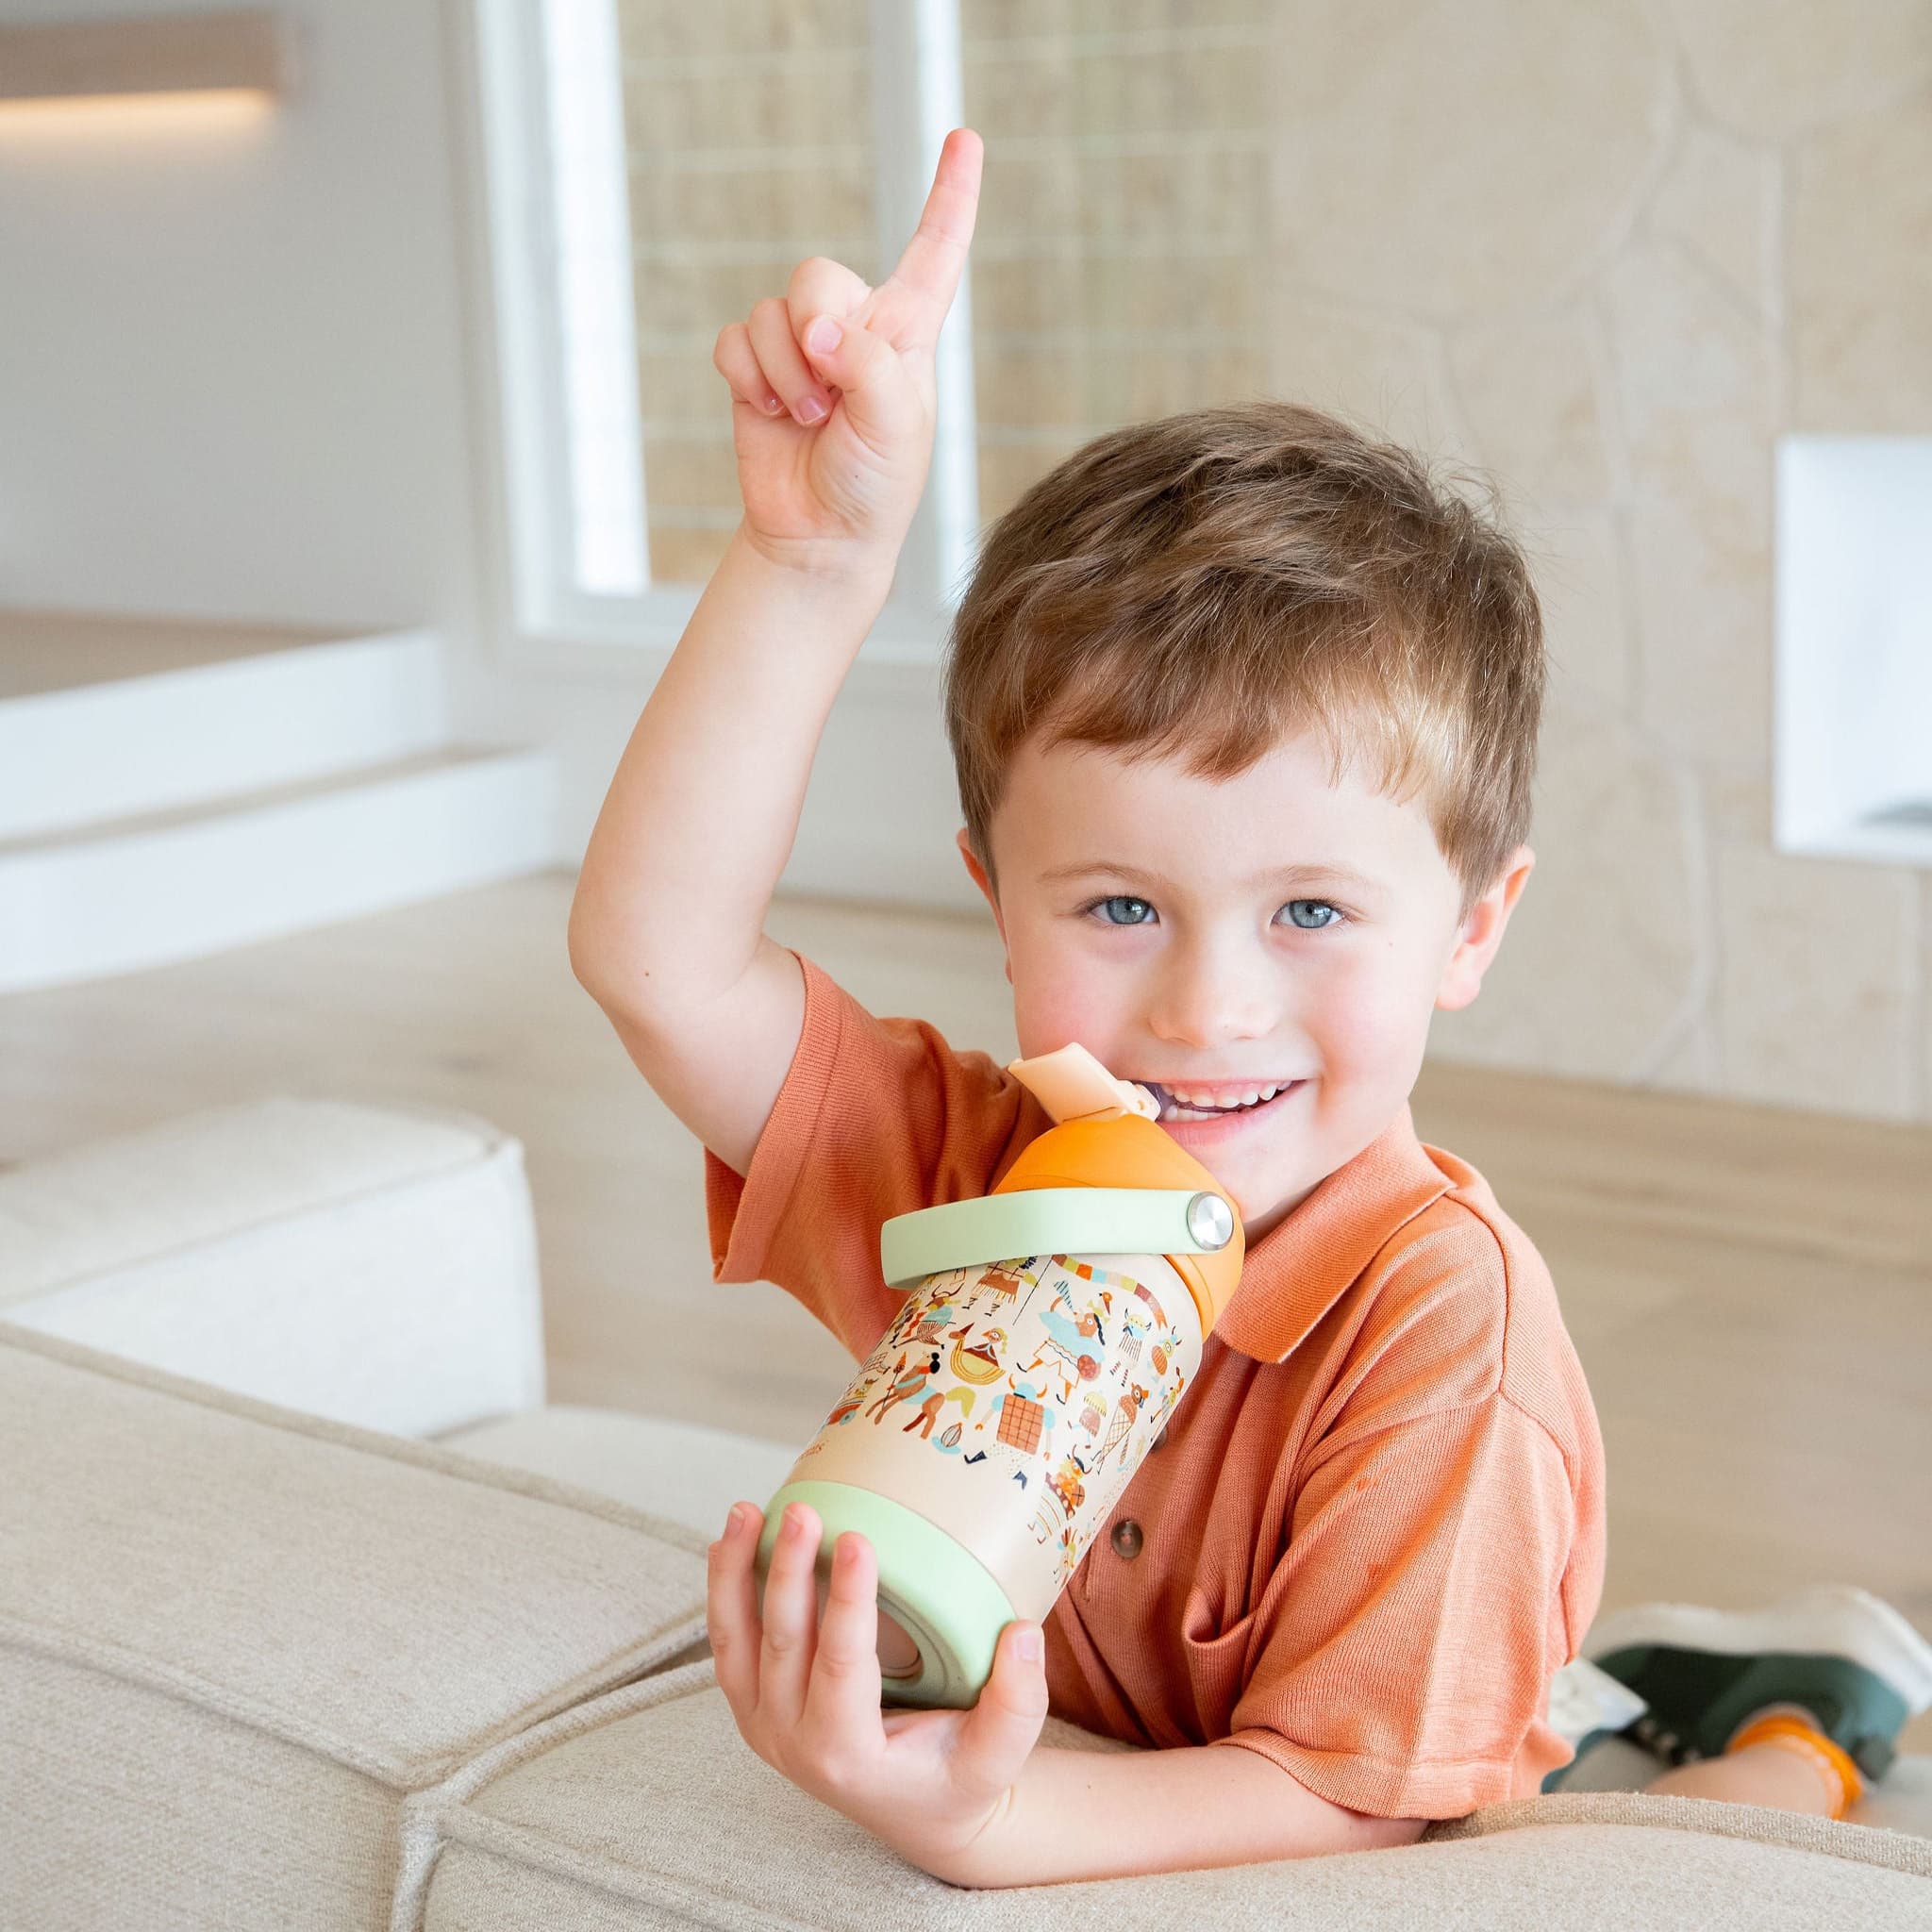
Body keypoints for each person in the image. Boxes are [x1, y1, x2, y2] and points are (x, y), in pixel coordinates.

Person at [565, 126, 1931, 1888]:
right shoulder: (980, 1168)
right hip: (1215, 1697)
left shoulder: (1448, 1344)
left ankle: (1811, 1705)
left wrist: (989, 1821)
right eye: (1122, 905)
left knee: (1637, 1827)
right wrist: (811, 565)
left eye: (1310, 911)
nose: (1209, 1010)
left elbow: (1354, 1802)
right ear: (994, 897)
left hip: (1410, 1768)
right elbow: (657, 964)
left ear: (1471, 928)